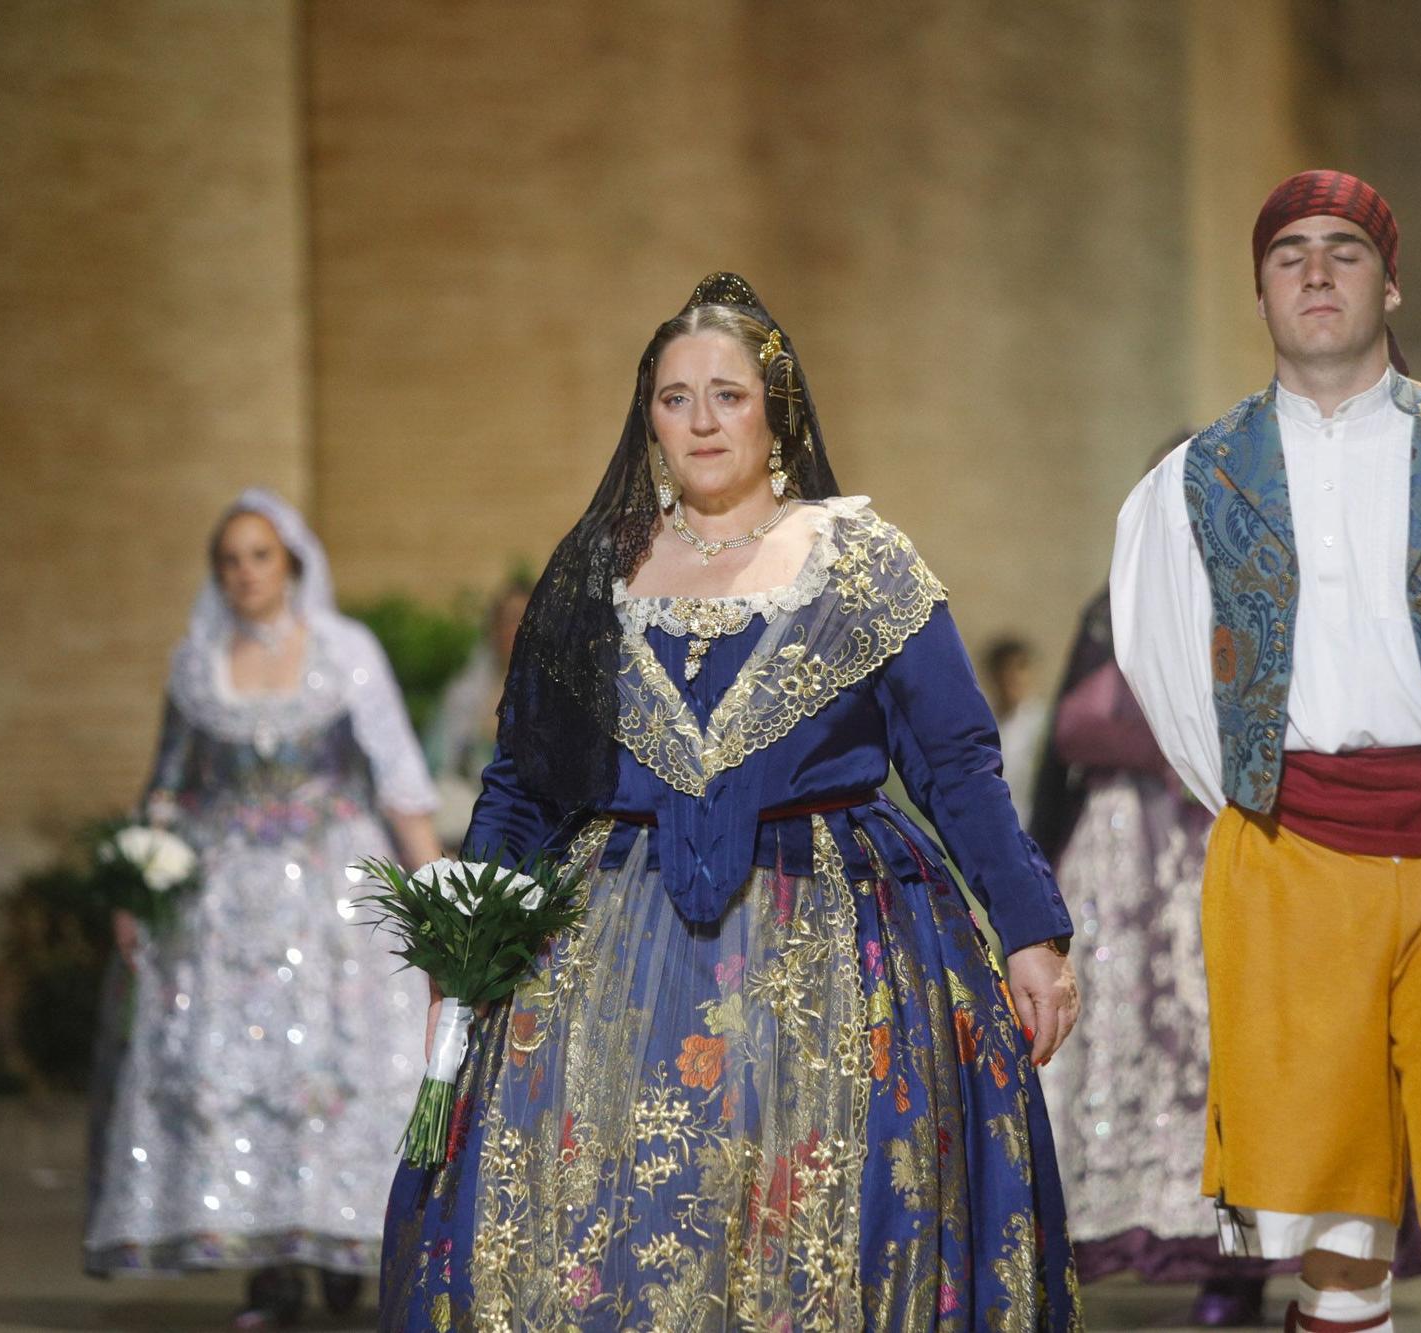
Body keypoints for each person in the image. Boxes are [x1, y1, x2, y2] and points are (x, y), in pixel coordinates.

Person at [377, 273, 1083, 1330]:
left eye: (726, 394)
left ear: (775, 408)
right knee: (620, 1223)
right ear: (647, 420)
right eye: (673, 398)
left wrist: (1029, 931)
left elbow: (954, 765)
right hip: (606, 960)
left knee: (802, 1219)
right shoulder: (593, 573)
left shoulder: (864, 565)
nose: (700, 420)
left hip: (835, 952)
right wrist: (464, 945)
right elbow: (523, 781)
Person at [1111, 172, 1421, 1333]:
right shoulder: (1190, 482)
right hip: (1293, 863)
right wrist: (1276, 799)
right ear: (1260, 292)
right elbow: (1168, 682)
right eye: (1288, 254)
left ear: (1390, 282)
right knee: (1334, 1238)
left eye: (1342, 250)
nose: (1316, 271)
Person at [84, 490, 444, 1329]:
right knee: (248, 1080)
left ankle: (347, 1244)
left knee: (337, 1072)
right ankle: (272, 1269)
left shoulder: (346, 652)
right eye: (231, 559)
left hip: (335, 905)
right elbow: (168, 785)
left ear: (292, 564)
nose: (245, 573)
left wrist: (435, 896)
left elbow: (398, 778)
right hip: (225, 911)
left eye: (261, 555)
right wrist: (141, 886)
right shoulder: (197, 664)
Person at [1033, 568, 1277, 1328]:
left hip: (1207, 839)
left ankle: (1234, 1258)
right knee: (1108, 1041)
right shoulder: (1110, 606)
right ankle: (1073, 1235)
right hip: (1116, 856)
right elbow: (1060, 747)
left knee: (1212, 1046)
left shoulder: (1253, 597)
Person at [425, 574, 532, 848]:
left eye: (524, 616)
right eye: (507, 618)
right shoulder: (465, 695)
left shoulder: (556, 695)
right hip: (470, 821)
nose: (515, 627)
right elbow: (435, 763)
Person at [984, 635, 1049, 827]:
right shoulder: (982, 726)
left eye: (1020, 668)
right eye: (1005, 669)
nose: (1012, 677)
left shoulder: (1042, 726)